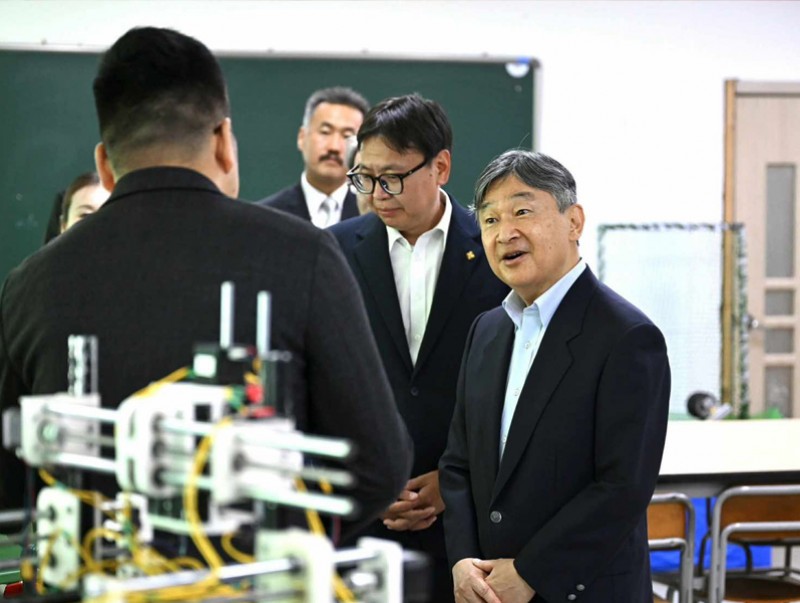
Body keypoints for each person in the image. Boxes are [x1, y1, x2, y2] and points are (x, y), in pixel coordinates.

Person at [0, 27, 412, 541]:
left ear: (104, 164)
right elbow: (376, 468)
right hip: (251, 574)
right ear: (222, 142)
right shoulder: (303, 254)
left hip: (90, 570)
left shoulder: (29, 284)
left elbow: (10, 486)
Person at [438, 149, 671, 603]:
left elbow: (622, 487)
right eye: (490, 220)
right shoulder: (486, 331)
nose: (505, 233)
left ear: (574, 222)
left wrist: (530, 573)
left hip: (582, 590)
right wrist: (462, 559)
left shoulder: (627, 336)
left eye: (522, 212)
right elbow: (458, 463)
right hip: (487, 588)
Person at [329, 93, 509, 602]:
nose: (377, 194)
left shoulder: (497, 253)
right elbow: (324, 380)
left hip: (470, 524)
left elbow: (515, 390)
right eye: (365, 177)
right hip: (364, 516)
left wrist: (454, 479)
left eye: (392, 178)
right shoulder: (335, 251)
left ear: (441, 167)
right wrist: (369, 479)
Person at [257, 86, 368, 227]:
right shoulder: (266, 216)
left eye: (347, 136)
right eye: (325, 132)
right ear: (302, 137)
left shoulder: (371, 216)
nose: (334, 147)